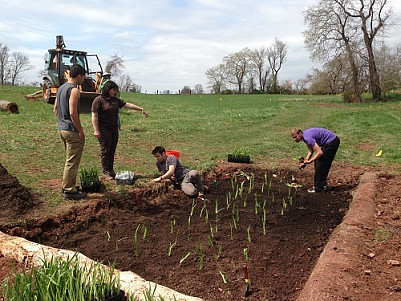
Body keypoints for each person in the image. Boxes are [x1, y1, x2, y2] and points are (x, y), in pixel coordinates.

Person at [91, 80, 149, 180]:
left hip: (114, 129)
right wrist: (96, 130)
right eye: (113, 90)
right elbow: (94, 116)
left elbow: (128, 105)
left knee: (112, 150)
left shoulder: (115, 100)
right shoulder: (98, 100)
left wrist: (140, 109)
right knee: (105, 150)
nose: (115, 92)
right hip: (104, 129)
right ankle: (105, 171)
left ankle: (111, 170)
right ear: (108, 89)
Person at [55, 64, 87, 200]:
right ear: (78, 76)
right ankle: (69, 190)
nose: (84, 80)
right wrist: (80, 130)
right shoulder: (74, 90)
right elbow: (73, 112)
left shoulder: (61, 88)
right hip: (71, 130)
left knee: (69, 160)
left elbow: (55, 108)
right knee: (72, 161)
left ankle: (67, 184)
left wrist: (62, 122)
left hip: (62, 129)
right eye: (83, 77)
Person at [291, 127, 340, 193]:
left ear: (300, 133)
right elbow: (311, 151)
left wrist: (310, 161)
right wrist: (305, 161)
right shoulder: (305, 137)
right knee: (321, 163)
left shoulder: (307, 138)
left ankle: (318, 188)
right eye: (293, 138)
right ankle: (322, 185)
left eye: (295, 137)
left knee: (320, 163)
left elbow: (319, 152)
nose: (294, 139)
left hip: (332, 142)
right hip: (331, 142)